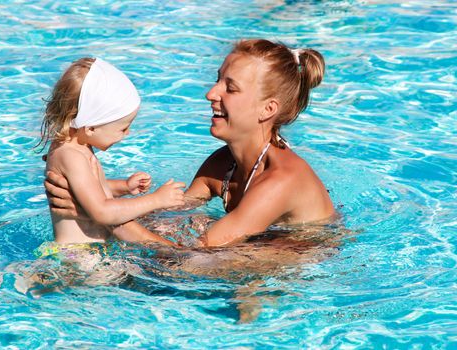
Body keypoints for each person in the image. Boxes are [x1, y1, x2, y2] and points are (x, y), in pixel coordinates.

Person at [45, 39, 337, 247]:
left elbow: (193, 259)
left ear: (267, 110)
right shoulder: (223, 164)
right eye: (217, 80)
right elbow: (168, 215)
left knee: (235, 263)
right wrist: (91, 197)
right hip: (257, 243)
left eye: (230, 88)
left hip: (304, 261)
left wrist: (100, 214)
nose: (211, 93)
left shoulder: (281, 181)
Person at [40, 57, 185, 245]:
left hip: (90, 253)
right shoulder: (70, 155)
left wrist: (124, 186)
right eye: (122, 129)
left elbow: (88, 188)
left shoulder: (77, 145)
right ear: (90, 127)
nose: (127, 133)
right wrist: (156, 200)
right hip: (79, 257)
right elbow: (102, 211)